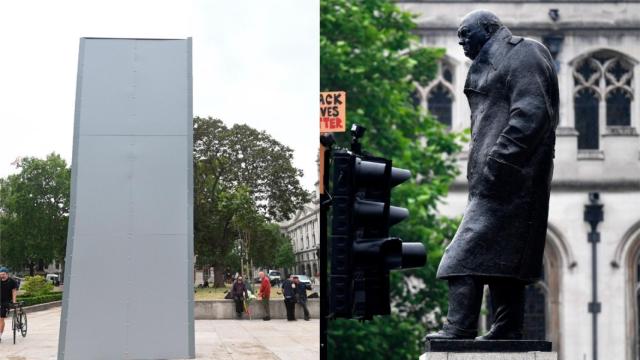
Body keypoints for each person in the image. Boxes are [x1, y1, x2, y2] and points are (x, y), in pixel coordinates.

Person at [427, 9, 558, 341]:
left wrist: (498, 164)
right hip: (496, 181)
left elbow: (531, 114)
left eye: (466, 34)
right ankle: (507, 327)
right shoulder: (486, 64)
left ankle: (459, 328)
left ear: (488, 30)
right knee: (503, 260)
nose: (461, 41)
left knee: (459, 258)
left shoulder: (524, 53)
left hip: (513, 181)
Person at [0, 267, 18, 343]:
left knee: (1, 318)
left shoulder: (12, 282)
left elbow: (14, 292)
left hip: (6, 302)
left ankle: (0, 335)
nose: (2, 276)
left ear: (7, 274)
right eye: (0, 274)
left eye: (3, 274)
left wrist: (14, 302)